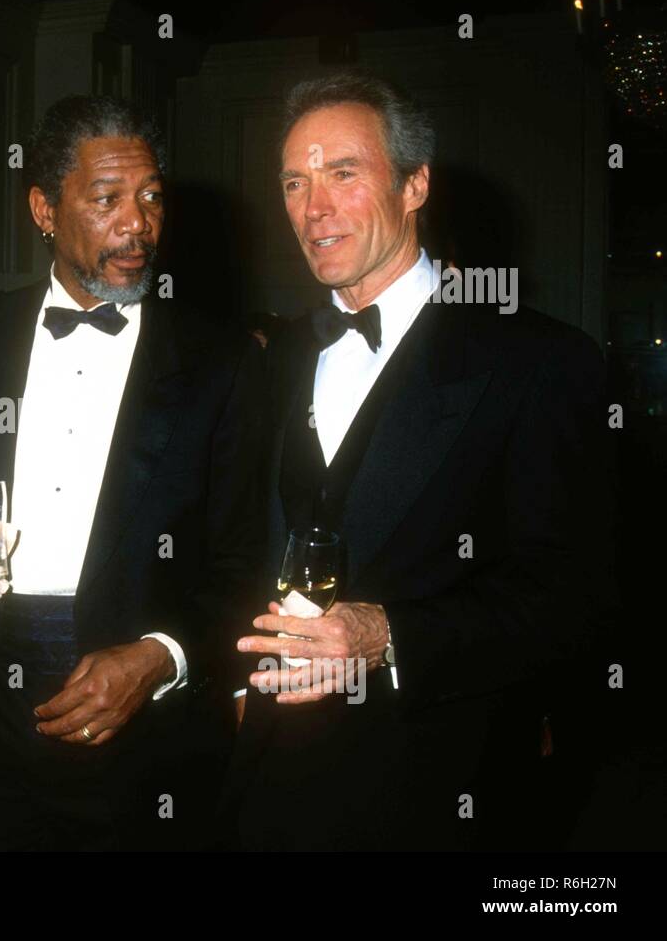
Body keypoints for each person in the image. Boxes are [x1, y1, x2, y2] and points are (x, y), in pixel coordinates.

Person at [224, 73, 614, 850]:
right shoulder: (267, 361)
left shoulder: (538, 361)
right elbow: (233, 544)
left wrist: (390, 634)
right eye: (295, 182)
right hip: (264, 780)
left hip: (438, 786)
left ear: (415, 185)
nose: (314, 207)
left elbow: (572, 596)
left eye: (343, 173)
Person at [0, 95, 266, 850]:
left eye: (150, 198)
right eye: (107, 199)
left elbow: (246, 564)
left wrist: (160, 657)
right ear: (43, 208)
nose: (137, 224)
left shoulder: (224, 362)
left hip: (144, 748)